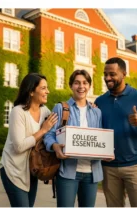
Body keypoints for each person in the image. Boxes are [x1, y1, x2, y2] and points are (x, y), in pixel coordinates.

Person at [95, 57, 137, 207]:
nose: (107, 78)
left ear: (124, 73)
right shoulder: (100, 101)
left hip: (135, 166)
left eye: (112, 74)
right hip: (109, 168)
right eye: (105, 74)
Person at [44, 69, 103, 207]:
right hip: (68, 172)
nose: (81, 86)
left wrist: (106, 151)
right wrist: (55, 146)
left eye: (85, 83)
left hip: (91, 173)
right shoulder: (60, 108)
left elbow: (100, 138)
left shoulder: (97, 112)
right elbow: (49, 134)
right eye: (77, 83)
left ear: (89, 86)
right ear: (71, 86)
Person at [0, 73, 58, 207]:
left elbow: (61, 125)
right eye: (43, 88)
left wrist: (90, 107)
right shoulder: (18, 112)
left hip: (32, 169)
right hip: (13, 169)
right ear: (31, 91)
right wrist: (42, 130)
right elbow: (19, 146)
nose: (47, 91)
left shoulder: (45, 111)